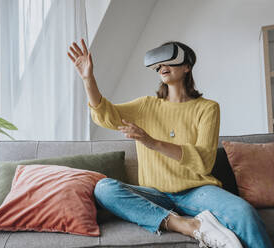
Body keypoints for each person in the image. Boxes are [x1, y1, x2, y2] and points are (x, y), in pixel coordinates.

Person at [67, 39, 272, 248]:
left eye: (169, 60)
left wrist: (152, 142)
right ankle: (188, 226)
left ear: (187, 66)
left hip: (196, 191)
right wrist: (88, 78)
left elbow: (203, 162)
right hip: (155, 195)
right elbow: (105, 116)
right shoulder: (145, 106)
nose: (162, 66)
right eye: (159, 63)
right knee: (103, 189)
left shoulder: (207, 108)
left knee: (243, 212)